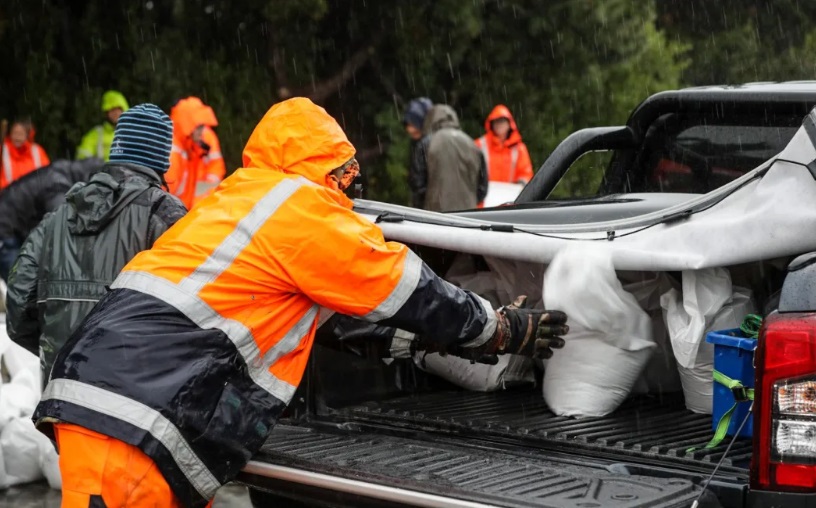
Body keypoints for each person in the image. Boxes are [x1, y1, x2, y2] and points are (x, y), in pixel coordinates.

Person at [33, 97, 567, 507]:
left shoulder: (237, 201)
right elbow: (405, 285)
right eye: (342, 171)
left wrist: (424, 340)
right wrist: (497, 329)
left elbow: (329, 319)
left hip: (117, 397)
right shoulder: (298, 207)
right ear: (314, 164)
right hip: (133, 416)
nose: (349, 187)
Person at [7, 104, 186, 389]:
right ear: (162, 160)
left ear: (116, 150)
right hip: (132, 401)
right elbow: (192, 312)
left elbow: (18, 304)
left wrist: (56, 350)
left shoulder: (58, 215)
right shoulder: (166, 215)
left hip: (59, 397)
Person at [0, 158, 103, 281]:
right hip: (6, 228)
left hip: (13, 224)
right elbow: (63, 220)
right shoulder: (58, 183)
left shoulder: (62, 171)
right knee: (18, 282)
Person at [417, 104, 487, 212]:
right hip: (467, 215)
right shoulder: (472, 144)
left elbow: (418, 184)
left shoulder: (428, 142)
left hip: (435, 214)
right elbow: (482, 188)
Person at [166, 96, 225, 209]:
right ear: (188, 126)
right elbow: (162, 201)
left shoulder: (188, 149)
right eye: (199, 127)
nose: (202, 132)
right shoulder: (174, 155)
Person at [475, 104, 534, 184]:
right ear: (492, 124)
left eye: (502, 121)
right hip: (485, 194)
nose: (499, 124)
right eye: (496, 121)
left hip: (512, 194)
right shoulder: (480, 144)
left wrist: (522, 183)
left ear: (509, 124)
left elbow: (526, 173)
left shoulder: (519, 149)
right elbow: (469, 169)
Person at [76, 90, 130, 161]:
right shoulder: (96, 134)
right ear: (106, 113)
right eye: (111, 110)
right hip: (102, 171)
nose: (115, 113)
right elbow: (82, 158)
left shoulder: (133, 132)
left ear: (125, 110)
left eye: (118, 109)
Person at [1, 118, 50, 188]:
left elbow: (47, 174)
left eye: (20, 134)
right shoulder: (2, 150)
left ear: (27, 135)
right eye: (15, 133)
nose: (17, 137)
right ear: (10, 134)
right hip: (7, 195)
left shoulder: (37, 151)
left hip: (34, 195)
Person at [403, 97, 433, 208]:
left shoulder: (430, 144)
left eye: (414, 124)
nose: (410, 130)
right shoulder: (415, 143)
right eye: (408, 124)